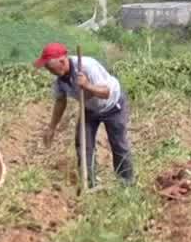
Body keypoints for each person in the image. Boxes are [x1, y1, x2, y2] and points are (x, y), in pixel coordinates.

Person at [36, 43, 133, 186]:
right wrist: (52, 127)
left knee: (119, 144)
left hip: (112, 106)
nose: (49, 71)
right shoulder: (60, 79)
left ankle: (126, 183)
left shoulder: (87, 66)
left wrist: (87, 85)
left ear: (62, 61)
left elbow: (106, 93)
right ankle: (89, 182)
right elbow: (60, 102)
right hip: (90, 109)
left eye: (50, 68)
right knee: (83, 143)